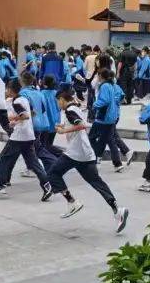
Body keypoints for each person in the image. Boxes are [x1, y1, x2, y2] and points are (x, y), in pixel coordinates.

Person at [46, 87, 130, 232]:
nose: (58, 105)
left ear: (62, 99)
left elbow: (81, 125)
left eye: (58, 102)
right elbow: (78, 123)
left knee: (53, 173)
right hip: (86, 154)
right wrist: (64, 125)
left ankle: (72, 202)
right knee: (97, 182)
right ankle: (117, 210)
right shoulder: (75, 108)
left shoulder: (69, 110)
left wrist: (63, 130)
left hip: (75, 153)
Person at [0, 78, 52, 195]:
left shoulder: (17, 102)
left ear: (11, 90)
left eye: (7, 89)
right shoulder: (24, 99)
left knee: (4, 158)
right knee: (33, 162)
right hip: (28, 134)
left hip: (19, 136)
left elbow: (26, 115)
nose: (6, 91)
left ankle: (1, 185)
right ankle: (47, 184)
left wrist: (13, 119)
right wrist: (17, 121)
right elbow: (33, 113)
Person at [89, 69, 126, 169]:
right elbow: (121, 97)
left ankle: (96, 158)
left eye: (98, 75)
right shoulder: (112, 85)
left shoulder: (105, 86)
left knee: (92, 137)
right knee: (105, 140)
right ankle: (116, 163)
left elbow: (104, 100)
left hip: (103, 117)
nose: (97, 77)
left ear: (101, 76)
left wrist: (94, 105)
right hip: (111, 116)